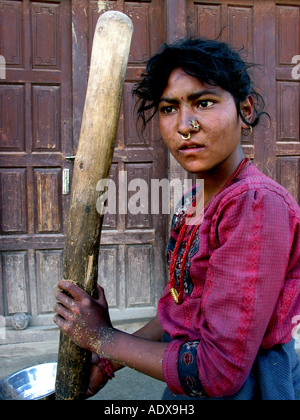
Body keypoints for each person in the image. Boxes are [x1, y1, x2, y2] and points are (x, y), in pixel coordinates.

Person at [54, 38, 300, 400]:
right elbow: (180, 312)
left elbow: (219, 371)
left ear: (244, 110)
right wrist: (105, 360)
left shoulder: (256, 205)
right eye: (169, 109)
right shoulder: (191, 205)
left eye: (203, 102)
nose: (185, 125)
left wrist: (105, 338)